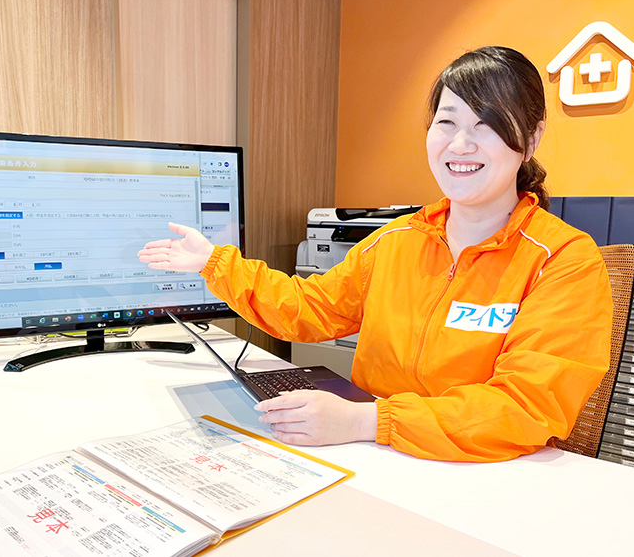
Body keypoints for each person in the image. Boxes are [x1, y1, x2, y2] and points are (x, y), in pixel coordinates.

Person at [138, 46, 612, 462]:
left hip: (484, 474)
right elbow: (310, 309)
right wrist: (214, 262)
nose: (460, 144)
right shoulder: (397, 240)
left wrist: (367, 421)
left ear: (531, 140)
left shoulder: (564, 260)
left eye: (486, 125)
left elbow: (524, 407)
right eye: (447, 122)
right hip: (380, 461)